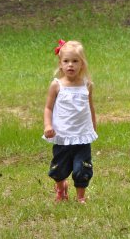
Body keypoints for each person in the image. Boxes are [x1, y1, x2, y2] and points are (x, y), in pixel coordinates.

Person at [44, 39, 98, 204]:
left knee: (83, 168)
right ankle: (61, 190)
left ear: (82, 64)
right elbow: (48, 108)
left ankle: (81, 197)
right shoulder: (56, 85)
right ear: (60, 64)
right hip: (62, 136)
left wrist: (93, 127)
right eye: (66, 61)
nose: (70, 65)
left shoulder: (87, 85)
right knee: (58, 170)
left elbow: (90, 108)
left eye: (75, 61)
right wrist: (48, 125)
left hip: (82, 136)